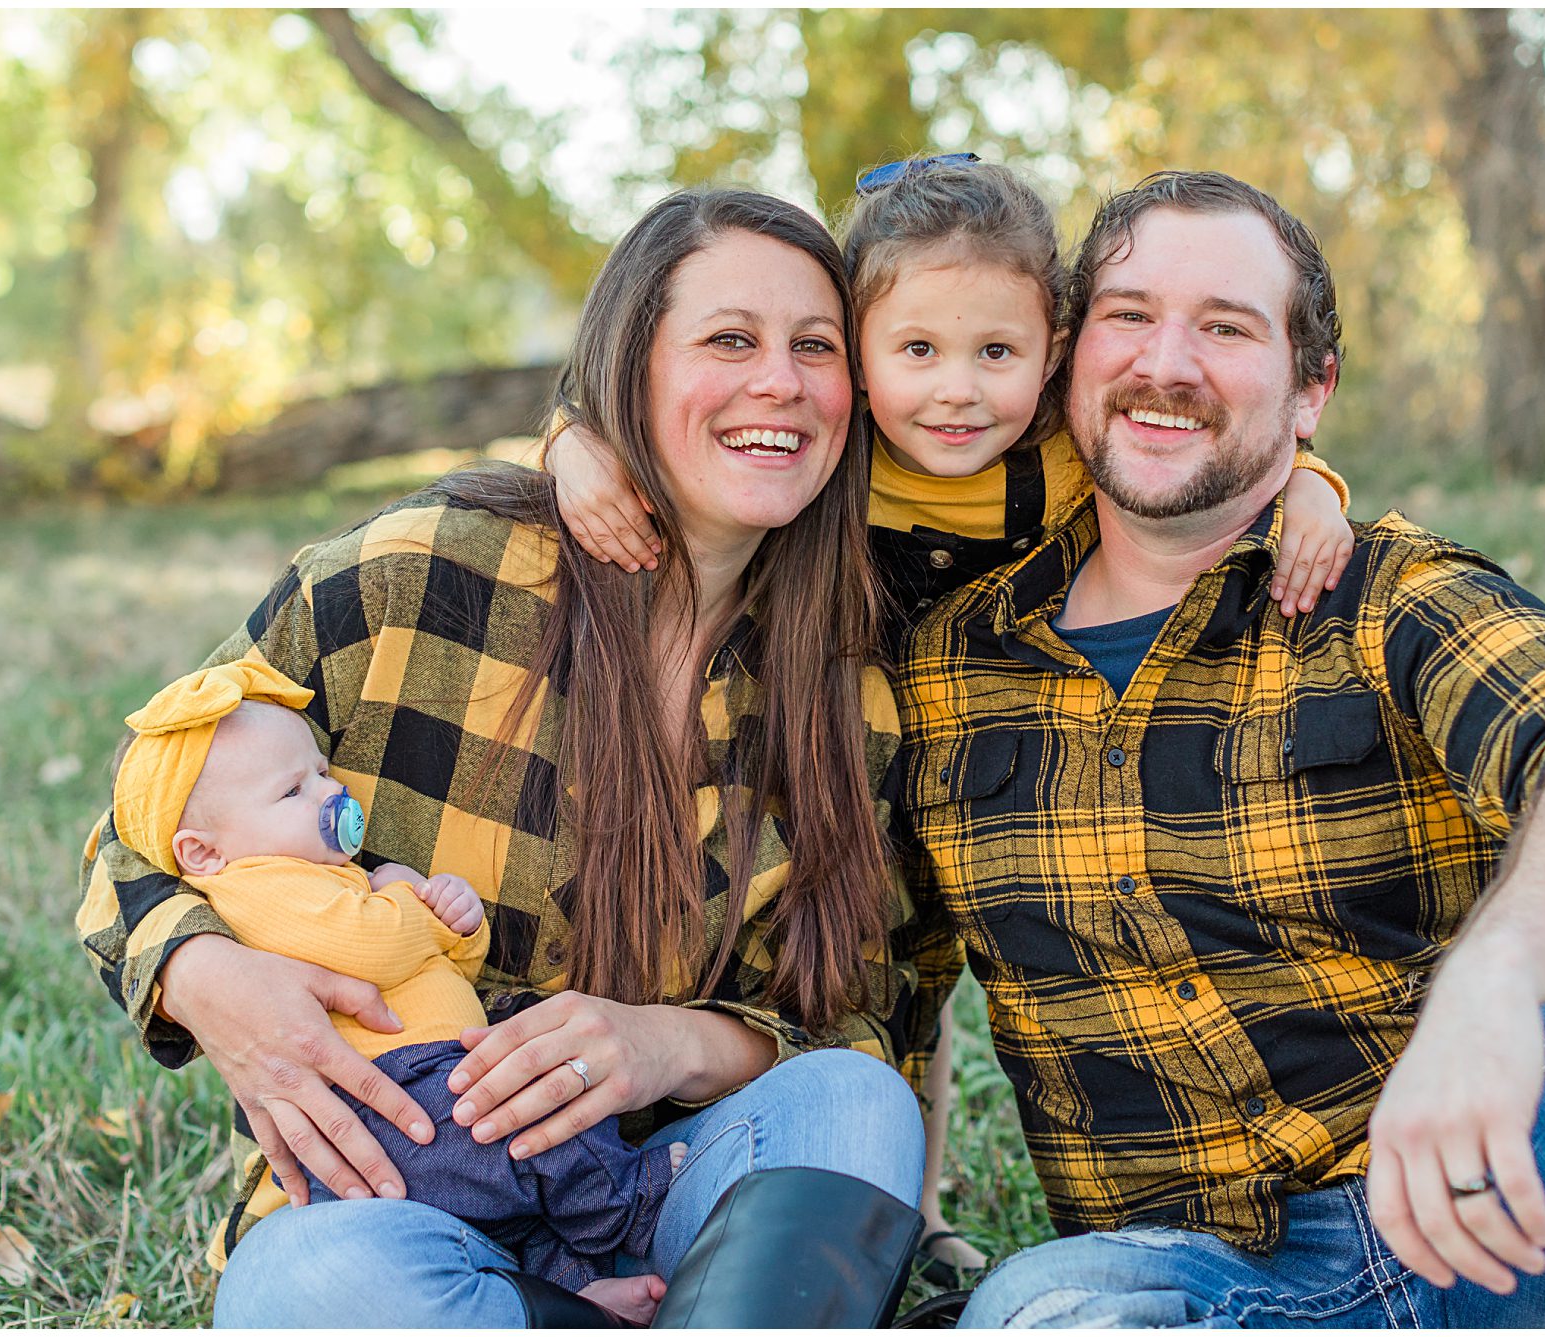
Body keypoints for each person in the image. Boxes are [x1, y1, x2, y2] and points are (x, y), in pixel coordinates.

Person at [893, 170, 1545, 1328]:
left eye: (1225, 327)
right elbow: (888, 977)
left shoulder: (1384, 595)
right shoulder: (939, 666)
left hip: (1509, 1226)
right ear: (1070, 355)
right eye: (1128, 315)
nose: (1165, 362)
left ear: (1309, 389)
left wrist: (1494, 978)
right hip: (1203, 1283)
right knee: (1035, 1305)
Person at [74, 187, 927, 1327]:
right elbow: (139, 823)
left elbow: (850, 1019)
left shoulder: (845, 688)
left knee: (854, 1101)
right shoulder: (422, 575)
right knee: (307, 1287)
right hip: (396, 1200)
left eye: (812, 348)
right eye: (729, 338)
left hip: (648, 1193)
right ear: (629, 366)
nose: (777, 379)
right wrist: (204, 974)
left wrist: (654, 1043)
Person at [544, 156, 1358, 1275]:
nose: (956, 393)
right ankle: (870, 1195)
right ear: (859, 352)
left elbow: (1227, 452)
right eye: (916, 351)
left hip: (989, 732)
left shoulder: (1067, 458)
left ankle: (917, 1213)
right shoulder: (831, 443)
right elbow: (619, 415)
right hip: (841, 721)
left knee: (953, 957)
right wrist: (564, 443)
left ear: (1054, 352)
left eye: (997, 354)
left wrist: (1314, 484)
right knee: (875, 963)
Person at [108, 661, 684, 1318]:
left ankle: (569, 1298)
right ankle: (639, 1203)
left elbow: (444, 962)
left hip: (416, 1092)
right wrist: (411, 898)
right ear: (203, 853)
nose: (330, 793)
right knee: (535, 1121)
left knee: (517, 1198)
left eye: (322, 771)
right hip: (390, 1094)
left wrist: (452, 918)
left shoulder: (331, 873)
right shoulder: (252, 887)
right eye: (292, 791)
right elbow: (368, 943)